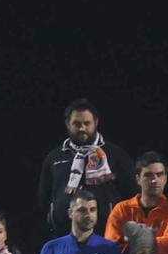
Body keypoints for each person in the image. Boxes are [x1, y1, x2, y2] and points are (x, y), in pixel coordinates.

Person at [38, 98, 136, 229]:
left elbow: (131, 193)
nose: (82, 128)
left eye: (87, 123)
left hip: (108, 234)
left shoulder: (115, 154)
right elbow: (44, 197)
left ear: (96, 123)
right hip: (64, 234)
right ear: (67, 124)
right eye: (76, 124)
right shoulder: (54, 157)